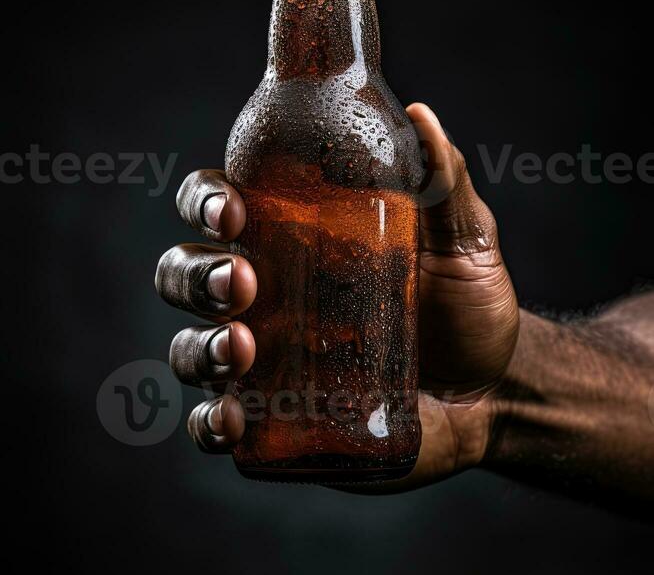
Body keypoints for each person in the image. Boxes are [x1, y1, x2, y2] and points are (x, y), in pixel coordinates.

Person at [155, 103, 654, 512]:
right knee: (231, 278)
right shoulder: (280, 112)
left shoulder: (369, 115)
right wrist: (489, 391)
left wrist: (492, 395)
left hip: (390, 428)